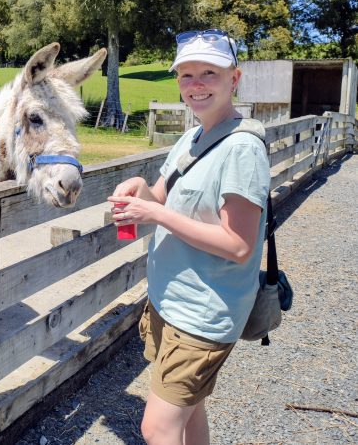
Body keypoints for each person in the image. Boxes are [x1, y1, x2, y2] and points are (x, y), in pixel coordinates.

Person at [108, 29, 270, 445]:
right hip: (170, 300)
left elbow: (238, 245)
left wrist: (154, 212)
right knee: (190, 410)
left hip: (204, 313)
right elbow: (160, 196)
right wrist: (138, 189)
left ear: (234, 79)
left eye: (209, 74)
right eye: (186, 76)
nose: (196, 85)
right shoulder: (192, 136)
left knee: (157, 427)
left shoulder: (243, 150)